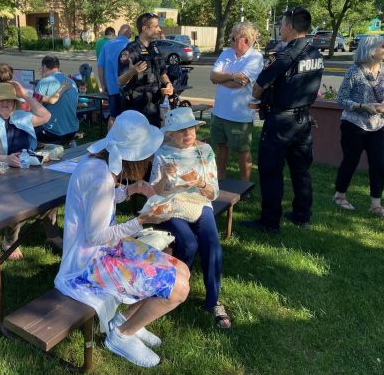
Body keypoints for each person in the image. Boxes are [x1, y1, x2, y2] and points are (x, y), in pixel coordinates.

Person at [55, 110, 190, 368]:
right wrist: (141, 221)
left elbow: (97, 205)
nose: (148, 160)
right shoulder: (101, 177)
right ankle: (121, 335)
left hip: (104, 249)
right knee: (178, 288)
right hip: (86, 263)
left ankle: (125, 321)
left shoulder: (96, 164)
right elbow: (96, 235)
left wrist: (128, 190)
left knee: (181, 269)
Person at [241, 7, 324, 233]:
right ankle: (302, 214)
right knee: (301, 170)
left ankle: (269, 221)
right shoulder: (315, 53)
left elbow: (259, 85)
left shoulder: (285, 54)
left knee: (270, 170)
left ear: (288, 27)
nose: (280, 30)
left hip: (281, 122)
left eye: (282, 26)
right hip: (303, 120)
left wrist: (257, 98)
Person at [150, 107, 230, 329]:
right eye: (181, 130)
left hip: (198, 201)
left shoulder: (204, 152)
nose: (188, 134)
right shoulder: (162, 153)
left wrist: (200, 183)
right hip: (170, 204)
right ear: (171, 134)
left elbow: (213, 193)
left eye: (191, 129)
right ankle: (175, 289)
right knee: (188, 242)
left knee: (212, 244)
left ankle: (213, 300)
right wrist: (166, 176)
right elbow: (156, 192)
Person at [0, 82, 60, 256]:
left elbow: (45, 115)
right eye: (1, 100)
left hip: (26, 169)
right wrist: (6, 159)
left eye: (10, 99)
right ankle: (10, 241)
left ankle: (52, 235)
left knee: (53, 193)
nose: (6, 103)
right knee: (18, 204)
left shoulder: (21, 116)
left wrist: (24, 94)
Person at [333, 35, 384, 220]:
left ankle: (376, 205)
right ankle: (339, 195)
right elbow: (341, 99)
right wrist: (362, 106)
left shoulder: (383, 68)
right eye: (383, 46)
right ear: (371, 50)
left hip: (376, 125)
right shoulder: (354, 71)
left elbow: (382, 89)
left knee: (378, 165)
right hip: (354, 124)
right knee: (350, 161)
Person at [209, 22, 263, 181]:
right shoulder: (226, 53)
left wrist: (222, 79)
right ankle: (220, 181)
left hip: (240, 116)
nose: (230, 41)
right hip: (219, 113)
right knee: (221, 147)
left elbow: (239, 84)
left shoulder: (255, 57)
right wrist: (232, 76)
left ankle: (244, 186)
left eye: (233, 38)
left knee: (243, 151)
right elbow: (213, 76)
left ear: (245, 41)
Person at [118, 13, 174, 127]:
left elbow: (162, 72)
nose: (159, 29)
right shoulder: (130, 51)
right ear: (144, 28)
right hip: (137, 108)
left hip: (155, 105)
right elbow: (120, 81)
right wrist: (131, 72)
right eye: (156, 26)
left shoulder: (155, 48)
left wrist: (168, 83)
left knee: (156, 139)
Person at [34, 55, 79, 143]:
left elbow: (35, 109)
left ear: (44, 67)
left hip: (53, 133)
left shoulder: (43, 82)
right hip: (73, 129)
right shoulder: (72, 82)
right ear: (58, 67)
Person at [98, 24, 133, 127]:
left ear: (118, 33)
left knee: (113, 117)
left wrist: (103, 85)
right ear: (130, 34)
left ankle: (110, 140)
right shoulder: (131, 46)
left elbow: (100, 67)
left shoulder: (107, 45)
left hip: (112, 88)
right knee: (128, 118)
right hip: (127, 89)